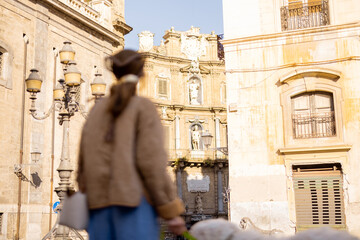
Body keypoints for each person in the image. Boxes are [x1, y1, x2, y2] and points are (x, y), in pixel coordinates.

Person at [76, 50, 186, 239]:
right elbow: (151, 162)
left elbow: (82, 164)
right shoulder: (144, 108)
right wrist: (170, 210)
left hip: (98, 207)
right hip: (134, 204)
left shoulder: (97, 110)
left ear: (115, 74)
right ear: (141, 75)